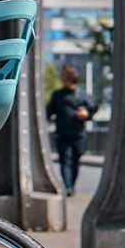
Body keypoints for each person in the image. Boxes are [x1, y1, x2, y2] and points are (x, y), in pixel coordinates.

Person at [46, 65, 96, 196]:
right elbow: (48, 112)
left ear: (70, 78)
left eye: (64, 76)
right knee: (65, 160)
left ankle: (71, 185)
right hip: (62, 134)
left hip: (79, 134)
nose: (61, 78)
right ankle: (68, 187)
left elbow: (92, 109)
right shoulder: (57, 95)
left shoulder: (83, 94)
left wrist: (86, 114)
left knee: (76, 160)